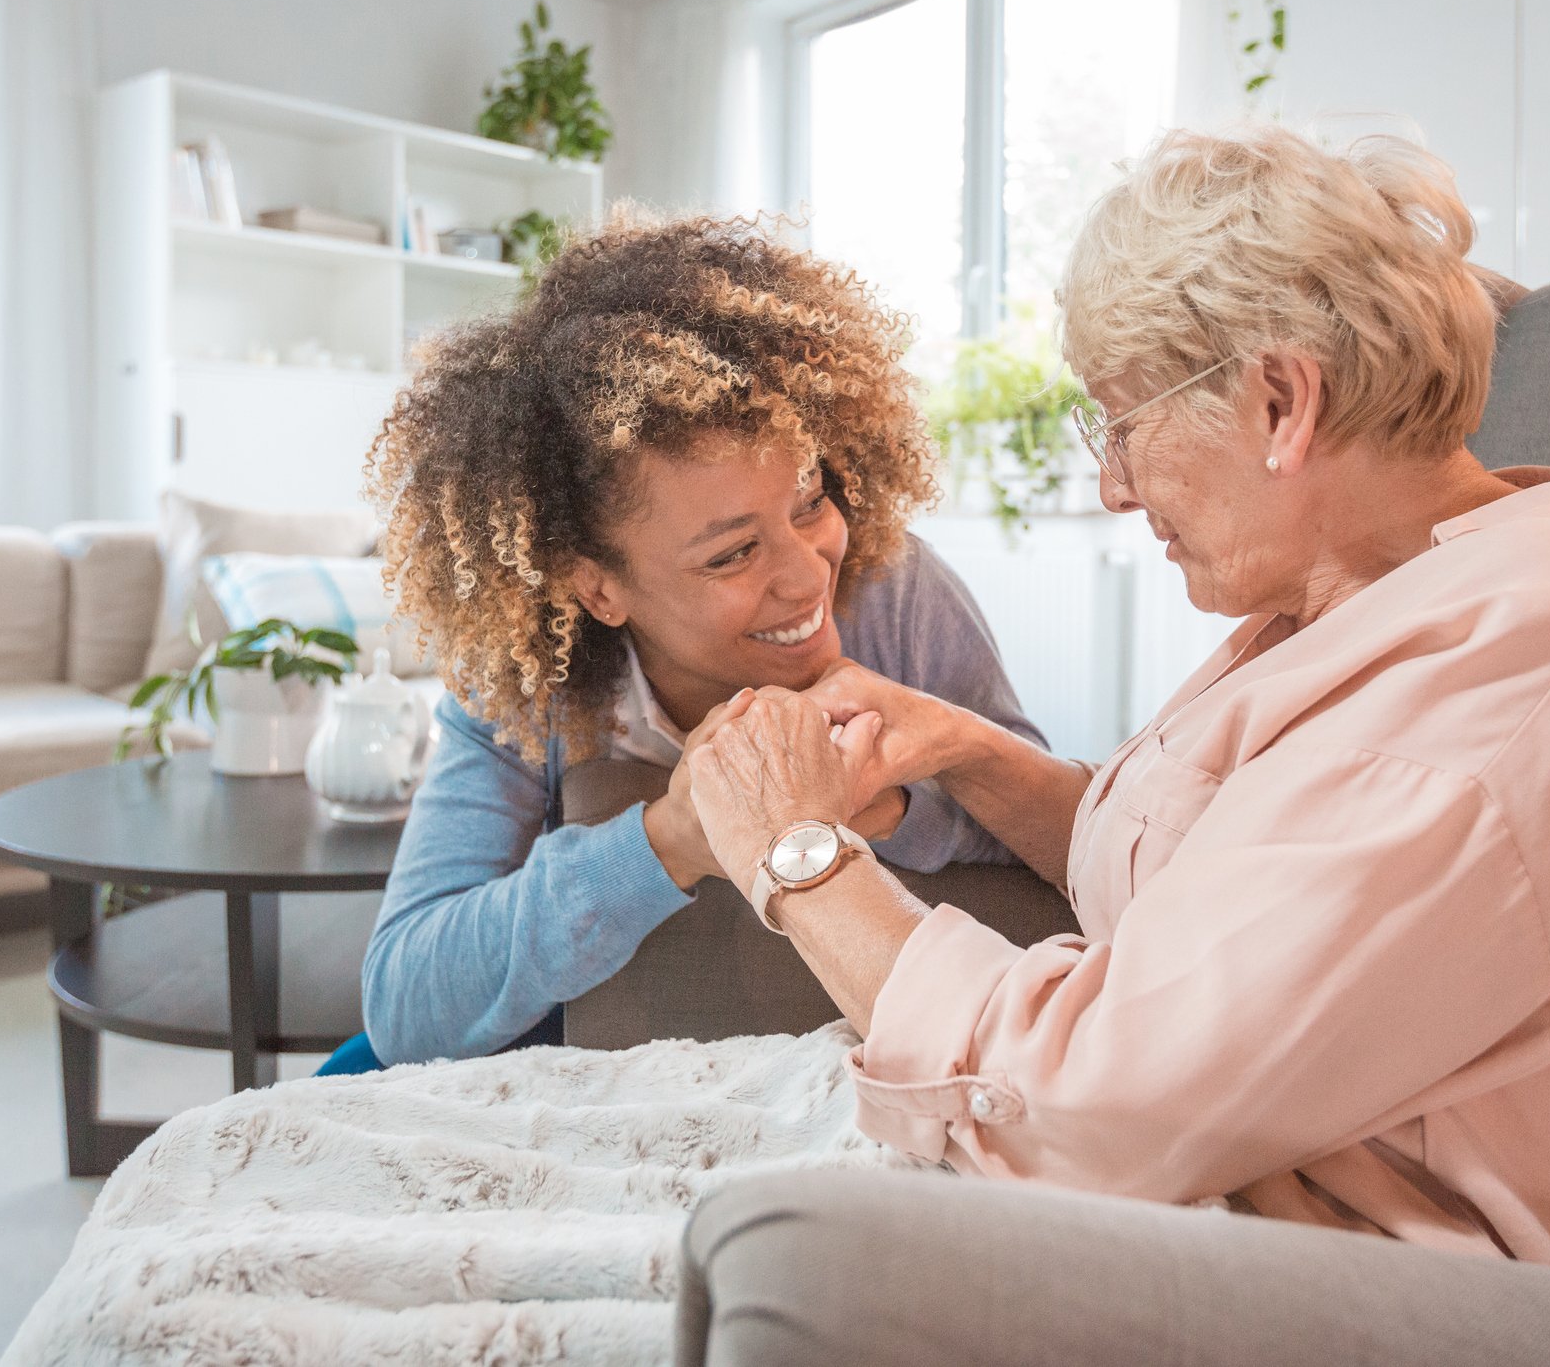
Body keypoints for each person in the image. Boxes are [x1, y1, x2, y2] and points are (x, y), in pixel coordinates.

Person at [680, 123, 1550, 1291]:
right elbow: (1226, 897)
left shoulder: (1503, 692)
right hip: (1256, 1189)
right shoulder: (1390, 595)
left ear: (1281, 400)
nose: (1112, 486)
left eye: (1121, 425)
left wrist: (797, 854)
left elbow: (1078, 1111)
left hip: (1415, 1294)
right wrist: (967, 750)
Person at [330, 210, 1044, 1073]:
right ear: (597, 586)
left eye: (810, 501)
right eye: (733, 553)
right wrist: (673, 838)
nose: (807, 576)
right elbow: (408, 1005)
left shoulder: (898, 594)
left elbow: (1059, 848)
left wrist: (883, 802)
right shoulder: (528, 683)